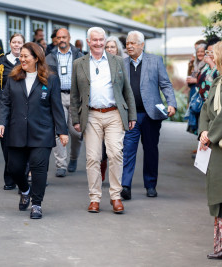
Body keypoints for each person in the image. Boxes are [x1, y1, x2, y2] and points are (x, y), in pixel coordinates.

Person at [0, 42, 68, 219]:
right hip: (17, 130)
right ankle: (25, 190)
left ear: (36, 58)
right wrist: (0, 122)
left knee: (39, 168)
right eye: (21, 56)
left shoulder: (50, 78)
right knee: (14, 168)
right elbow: (5, 102)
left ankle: (37, 204)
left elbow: (56, 106)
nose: (22, 59)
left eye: (26, 56)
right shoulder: (13, 78)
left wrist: (62, 131)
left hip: (41, 131)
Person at [70, 27, 137, 214]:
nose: (98, 43)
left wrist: (131, 115)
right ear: (88, 41)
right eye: (95, 40)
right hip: (91, 115)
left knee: (116, 154)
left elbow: (127, 90)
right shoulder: (79, 63)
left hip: (114, 114)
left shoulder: (117, 61)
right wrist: (75, 118)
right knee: (93, 158)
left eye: (101, 40)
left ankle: (116, 196)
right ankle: (95, 198)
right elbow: (75, 95)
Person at [121, 30, 177, 200]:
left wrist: (171, 103)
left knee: (151, 150)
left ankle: (150, 184)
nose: (129, 46)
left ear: (142, 45)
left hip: (151, 115)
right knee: (128, 151)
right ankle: (125, 186)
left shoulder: (155, 61)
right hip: (131, 116)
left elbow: (166, 84)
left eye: (133, 43)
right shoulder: (122, 64)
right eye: (128, 43)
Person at [0, 33, 25, 190]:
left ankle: (23, 177)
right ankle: (9, 178)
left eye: (19, 42)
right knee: (7, 145)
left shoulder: (28, 61)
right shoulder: (0, 62)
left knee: (22, 144)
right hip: (4, 109)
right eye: (14, 42)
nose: (16, 45)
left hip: (23, 110)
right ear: (10, 43)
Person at [46, 28, 83, 177]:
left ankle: (73, 158)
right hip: (58, 96)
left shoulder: (79, 55)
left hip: (75, 97)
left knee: (76, 132)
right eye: (59, 37)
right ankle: (61, 164)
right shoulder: (50, 57)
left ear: (69, 38)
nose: (61, 40)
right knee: (59, 131)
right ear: (56, 39)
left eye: (64, 37)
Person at [198, 40, 222, 260]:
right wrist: (204, 130)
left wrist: (211, 135)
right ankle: (220, 246)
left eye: (213, 55)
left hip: (219, 143)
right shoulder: (217, 80)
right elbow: (206, 107)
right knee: (217, 193)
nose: (210, 58)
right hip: (215, 143)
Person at [99, 36, 125, 181]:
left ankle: (118, 179)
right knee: (101, 148)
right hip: (100, 111)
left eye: (112, 47)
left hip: (117, 112)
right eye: (107, 47)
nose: (109, 49)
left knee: (116, 149)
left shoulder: (122, 64)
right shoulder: (98, 64)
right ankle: (102, 170)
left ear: (117, 49)